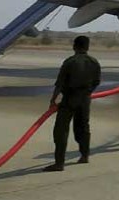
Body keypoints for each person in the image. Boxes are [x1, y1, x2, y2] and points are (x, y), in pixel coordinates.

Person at [43, 35, 102, 172]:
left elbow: (59, 84)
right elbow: (97, 82)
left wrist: (53, 100)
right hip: (85, 100)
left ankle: (59, 163)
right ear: (87, 47)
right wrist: (87, 93)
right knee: (83, 128)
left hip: (69, 99)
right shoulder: (94, 62)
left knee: (61, 130)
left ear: (74, 46)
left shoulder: (70, 62)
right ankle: (84, 155)